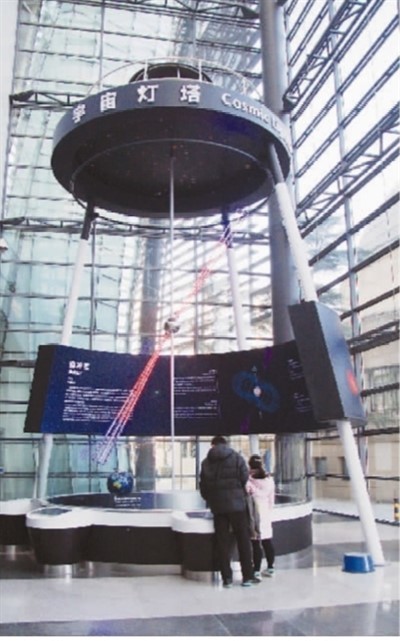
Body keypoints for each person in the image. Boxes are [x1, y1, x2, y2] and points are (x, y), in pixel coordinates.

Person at [199, 435, 260, 588]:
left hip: (218, 507)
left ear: (213, 445)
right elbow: (244, 479)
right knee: (243, 540)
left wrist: (212, 499)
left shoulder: (206, 463)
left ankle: (227, 578)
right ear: (226, 444)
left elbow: (203, 487)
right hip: (238, 506)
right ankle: (247, 576)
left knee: (222, 542)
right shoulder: (237, 458)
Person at [246, 454, 275, 578]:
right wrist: (269, 510)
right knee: (267, 541)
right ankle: (270, 567)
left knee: (256, 542)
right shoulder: (269, 480)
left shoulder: (248, 481)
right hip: (265, 512)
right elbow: (271, 500)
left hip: (254, 514)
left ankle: (256, 570)